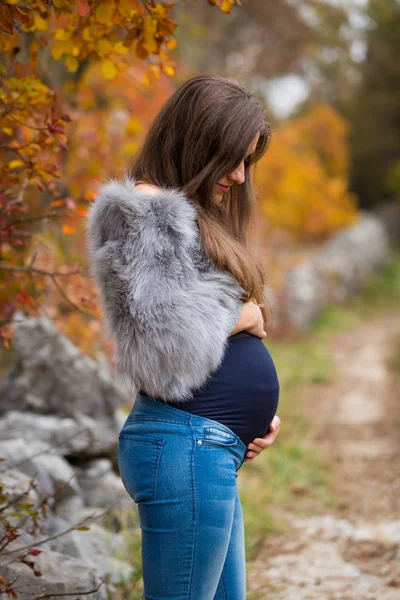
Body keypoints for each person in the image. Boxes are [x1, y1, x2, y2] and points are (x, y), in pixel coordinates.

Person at [86, 73, 281, 600]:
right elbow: (164, 346)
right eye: (232, 160)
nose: (240, 177)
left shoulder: (184, 213)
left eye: (247, 162)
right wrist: (245, 315)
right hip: (184, 446)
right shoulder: (141, 211)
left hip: (205, 445)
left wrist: (253, 417)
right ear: (197, 143)